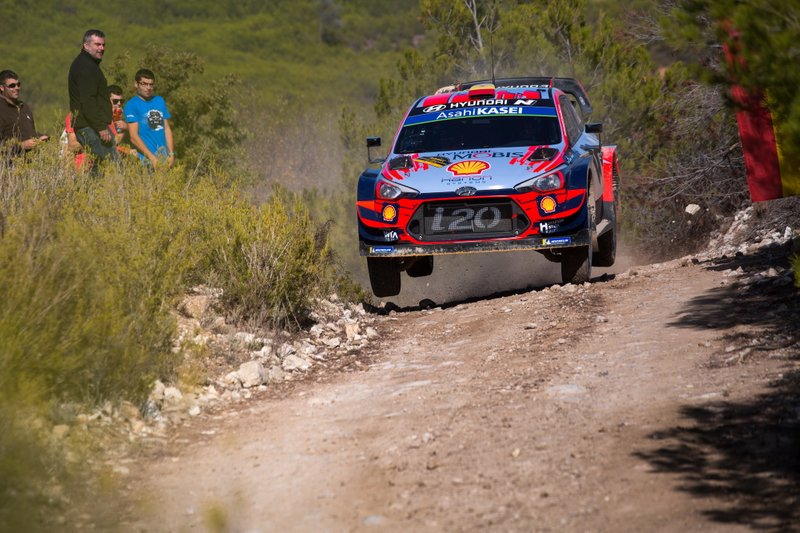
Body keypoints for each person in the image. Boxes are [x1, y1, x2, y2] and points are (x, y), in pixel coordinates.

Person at [68, 29, 118, 164]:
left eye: (103, 45)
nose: (101, 48)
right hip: (91, 127)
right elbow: (88, 100)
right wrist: (101, 128)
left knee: (99, 170)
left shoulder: (89, 64)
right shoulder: (85, 67)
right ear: (86, 45)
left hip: (91, 126)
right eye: (97, 44)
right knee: (113, 166)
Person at [124, 69, 174, 168]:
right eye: (144, 84)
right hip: (145, 161)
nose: (148, 88)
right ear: (136, 84)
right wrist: (152, 158)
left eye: (151, 84)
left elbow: (167, 129)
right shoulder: (132, 105)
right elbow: (133, 137)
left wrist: (171, 154)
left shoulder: (159, 101)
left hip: (164, 160)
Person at [0, 70, 49, 159]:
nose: (17, 88)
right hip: (9, 166)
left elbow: (28, 132)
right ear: (2, 88)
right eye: (12, 86)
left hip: (30, 164)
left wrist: (40, 137)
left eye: (18, 84)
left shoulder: (24, 106)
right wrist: (21, 146)